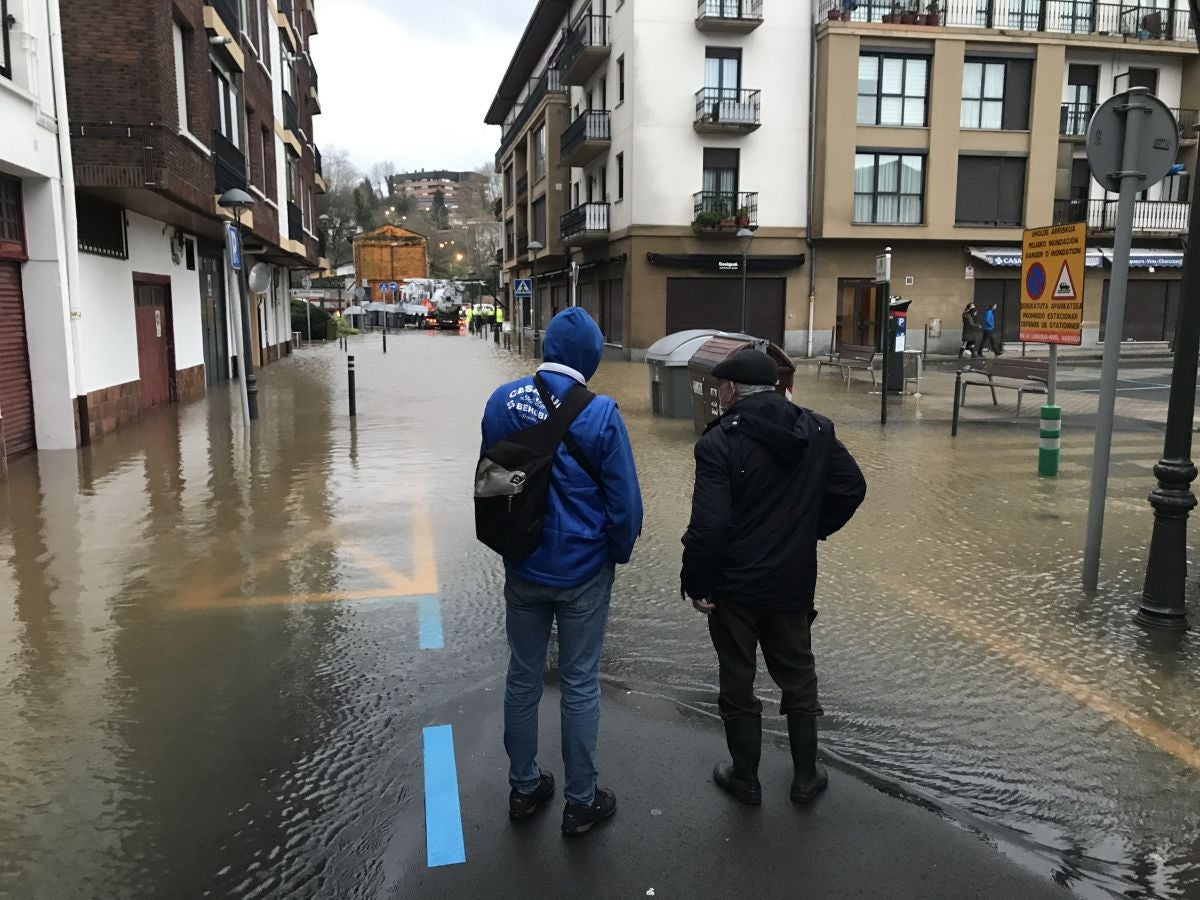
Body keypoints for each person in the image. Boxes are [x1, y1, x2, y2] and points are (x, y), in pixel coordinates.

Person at [479, 307, 643, 837]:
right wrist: (615, 554)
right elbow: (626, 507)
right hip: (582, 572)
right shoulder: (601, 414)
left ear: (547, 348)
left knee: (523, 676)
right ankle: (580, 801)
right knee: (578, 682)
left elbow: (493, 479)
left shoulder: (501, 400)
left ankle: (524, 788)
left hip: (523, 565)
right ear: (592, 357)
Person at [681, 348, 866, 807]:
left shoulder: (719, 441)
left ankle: (745, 778)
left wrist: (698, 583)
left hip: (734, 587)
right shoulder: (817, 429)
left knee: (738, 677)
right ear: (778, 386)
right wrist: (810, 529)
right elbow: (851, 488)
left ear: (729, 390)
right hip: (792, 581)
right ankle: (806, 778)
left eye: (720, 388)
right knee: (798, 675)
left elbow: (710, 525)